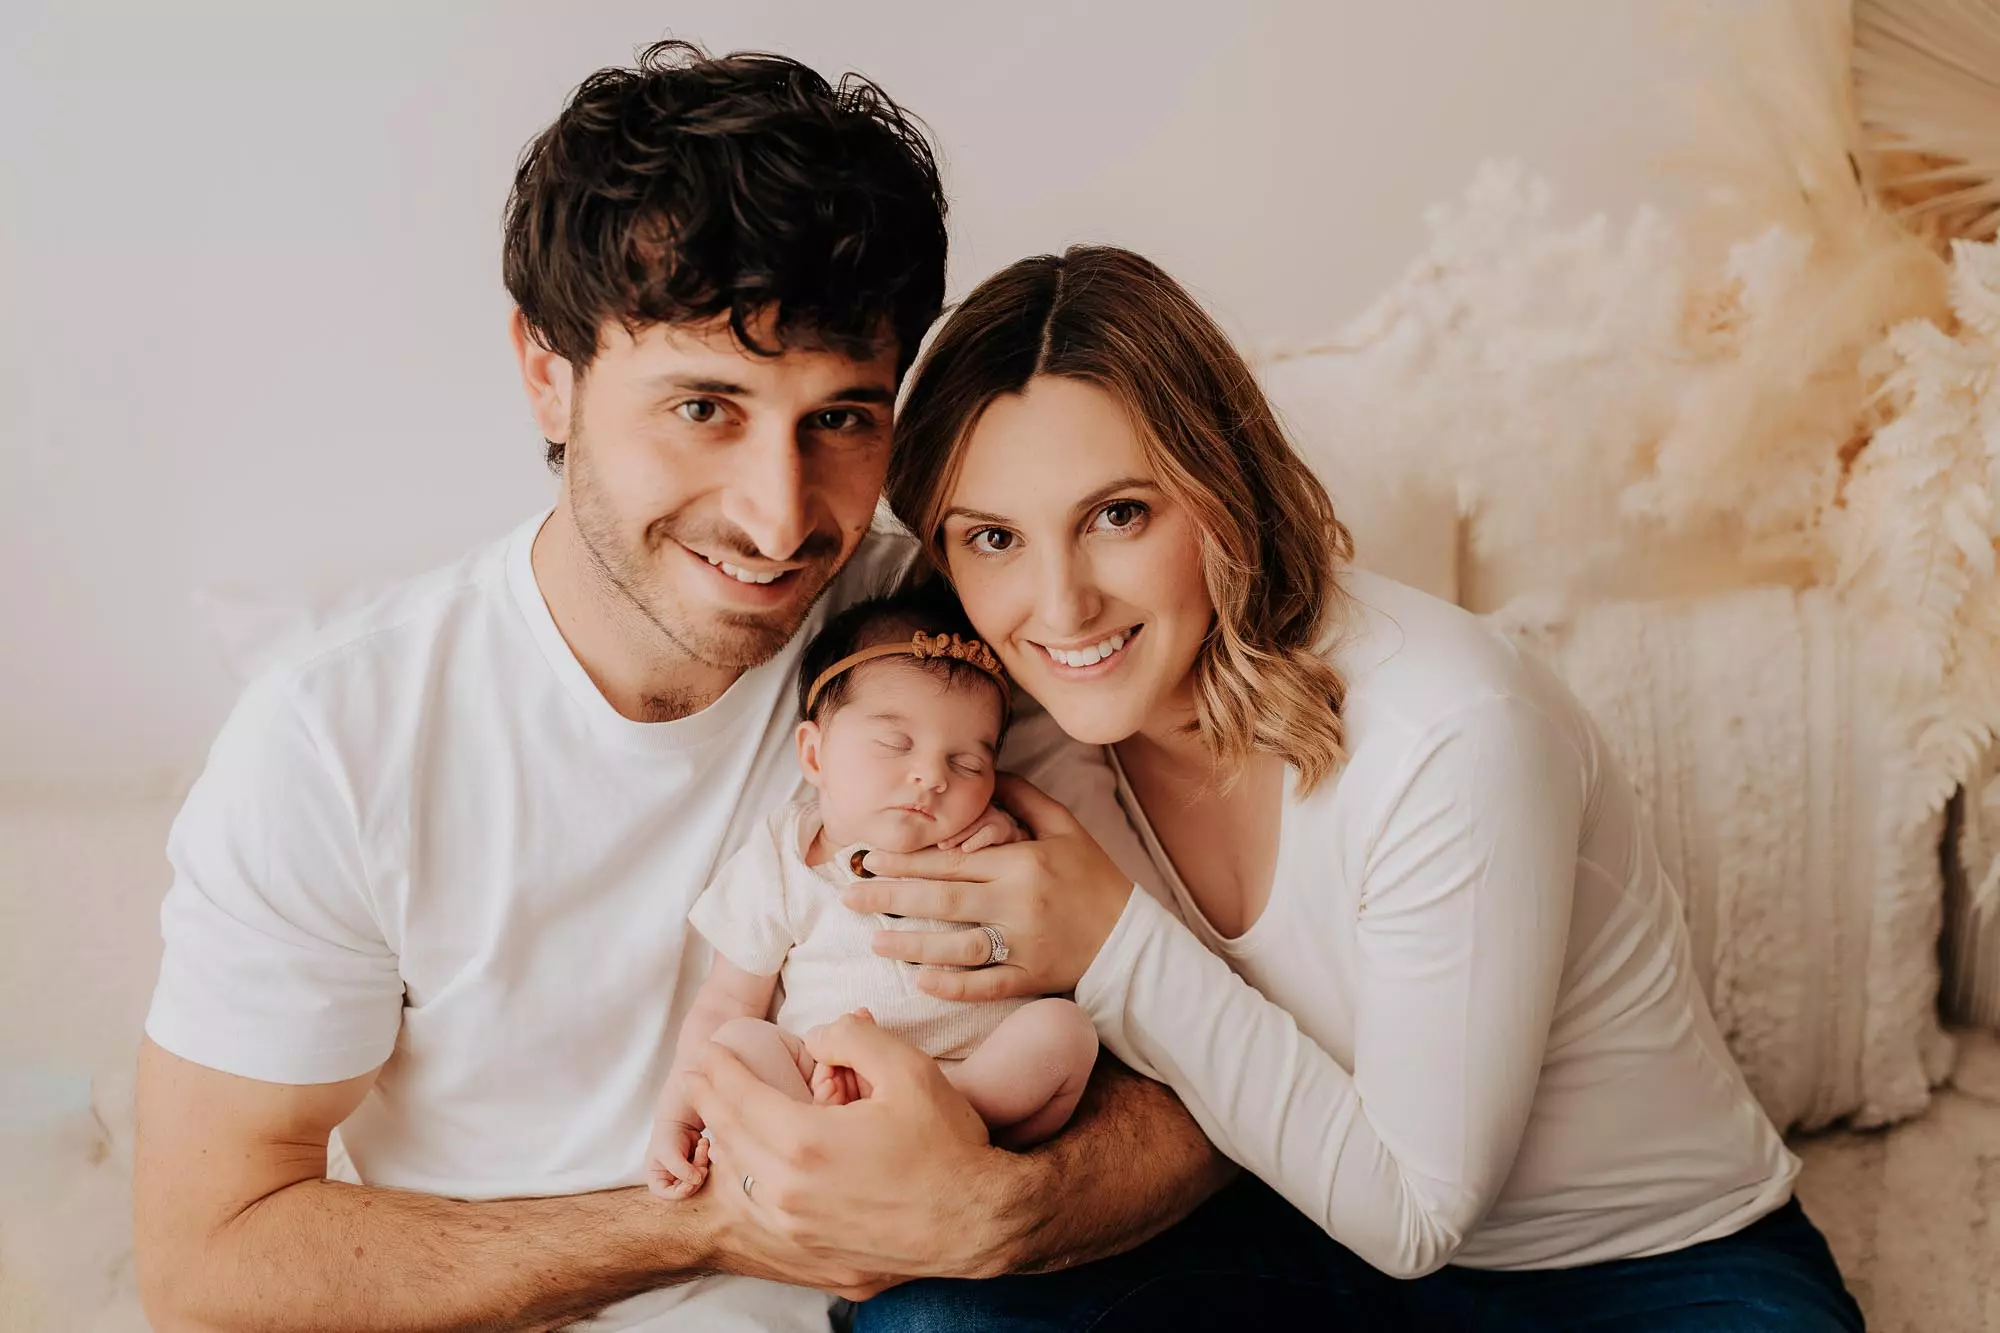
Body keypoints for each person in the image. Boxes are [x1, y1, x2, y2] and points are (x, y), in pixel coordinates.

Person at [130, 53, 1229, 1333]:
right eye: (705, 406)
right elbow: (210, 1260)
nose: (778, 517)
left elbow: (1219, 1060)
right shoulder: (338, 740)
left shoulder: (943, 637)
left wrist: (1009, 1208)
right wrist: (706, 1224)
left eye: (840, 419)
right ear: (547, 372)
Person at [836, 245, 1868, 1331]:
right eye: (994, 537)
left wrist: (1110, 942)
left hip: (1643, 1268)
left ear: (1220, 488)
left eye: (1119, 515)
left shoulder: (1451, 730)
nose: (1061, 606)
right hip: (1284, 1233)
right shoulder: (1004, 734)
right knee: (933, 1322)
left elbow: (1418, 1216)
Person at [646, 590, 1099, 1201]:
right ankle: (848, 1131)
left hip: (975, 1078)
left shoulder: (993, 841)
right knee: (736, 1044)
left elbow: (1049, 925)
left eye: (968, 763)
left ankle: (941, 1113)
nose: (932, 776)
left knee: (1066, 1031)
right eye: (895, 744)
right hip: (825, 1079)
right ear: (814, 754)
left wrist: (1010, 842)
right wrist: (677, 1117)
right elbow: (726, 999)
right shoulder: (784, 855)